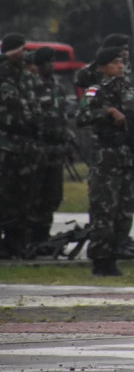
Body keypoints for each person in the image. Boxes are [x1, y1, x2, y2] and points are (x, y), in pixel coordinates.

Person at [75, 46, 134, 276]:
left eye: (121, 63)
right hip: (106, 158)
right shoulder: (95, 91)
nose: (120, 66)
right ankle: (100, 259)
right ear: (103, 67)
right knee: (104, 210)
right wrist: (107, 112)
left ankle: (114, 255)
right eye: (115, 63)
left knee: (124, 211)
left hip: (127, 155)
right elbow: (81, 117)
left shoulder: (127, 89)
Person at [28, 46, 76, 248]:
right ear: (38, 66)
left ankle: (42, 235)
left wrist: (68, 140)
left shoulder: (57, 88)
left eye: (53, 62)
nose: (52, 66)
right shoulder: (32, 88)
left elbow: (62, 119)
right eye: (48, 62)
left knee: (52, 196)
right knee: (35, 195)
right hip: (39, 149)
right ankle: (30, 237)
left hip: (57, 150)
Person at [0, 34, 42, 259]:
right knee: (4, 193)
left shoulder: (27, 77)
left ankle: (17, 240)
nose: (25, 54)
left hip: (26, 143)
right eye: (21, 50)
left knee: (23, 195)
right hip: (5, 142)